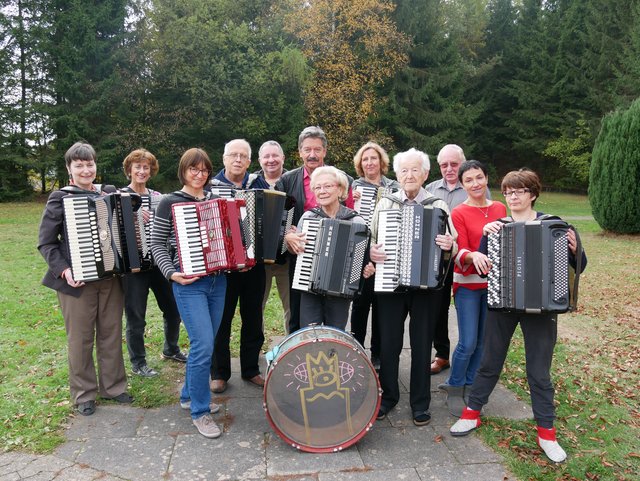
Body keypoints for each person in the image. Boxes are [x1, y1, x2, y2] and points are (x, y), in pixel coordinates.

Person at [450, 169, 587, 464]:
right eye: (508, 192)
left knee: (539, 370)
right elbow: (482, 266)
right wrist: (482, 250)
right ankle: (472, 413)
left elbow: (576, 266)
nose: (513, 197)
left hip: (543, 308)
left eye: (519, 191)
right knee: (489, 361)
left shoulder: (554, 225)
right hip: (504, 302)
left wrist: (575, 251)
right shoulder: (497, 227)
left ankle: (546, 432)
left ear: (532, 194)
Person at [38, 141, 132, 417]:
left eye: (89, 164)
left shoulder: (110, 193)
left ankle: (113, 387)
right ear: (70, 169)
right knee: (80, 339)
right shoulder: (61, 197)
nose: (85, 169)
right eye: (79, 165)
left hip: (111, 278)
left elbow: (124, 223)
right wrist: (65, 270)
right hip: (75, 283)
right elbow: (46, 243)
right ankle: (84, 394)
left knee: (111, 334)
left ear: (95, 165)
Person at [368, 148, 457, 426]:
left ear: (425, 174)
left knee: (421, 346)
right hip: (390, 285)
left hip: (426, 288)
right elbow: (370, 238)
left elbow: (451, 246)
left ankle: (420, 403)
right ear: (397, 174)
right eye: (404, 170)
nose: (409, 175)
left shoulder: (438, 206)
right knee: (389, 344)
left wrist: (450, 246)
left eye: (414, 170)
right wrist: (372, 252)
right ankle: (389, 397)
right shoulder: (385, 204)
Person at [150, 148, 226, 438]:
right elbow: (156, 244)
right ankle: (200, 411)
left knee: (205, 344)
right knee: (203, 345)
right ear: (183, 170)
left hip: (219, 281)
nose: (200, 174)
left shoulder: (216, 201)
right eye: (194, 169)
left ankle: (187, 395)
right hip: (188, 283)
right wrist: (171, 273)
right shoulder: (169, 202)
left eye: (205, 170)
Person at [439, 160, 506, 417]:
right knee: (467, 341)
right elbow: (458, 252)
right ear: (463, 184)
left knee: (483, 342)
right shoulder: (458, 212)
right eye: (469, 180)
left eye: (479, 177)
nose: (475, 184)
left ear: (486, 178)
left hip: (494, 285)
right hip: (468, 284)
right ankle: (455, 386)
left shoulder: (500, 207)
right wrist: (474, 254)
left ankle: (471, 384)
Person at [276, 126, 354, 333]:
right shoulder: (286, 180)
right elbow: (277, 220)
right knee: (298, 312)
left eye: (317, 150)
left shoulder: (342, 179)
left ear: (324, 151)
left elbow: (354, 219)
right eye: (307, 149)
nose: (312, 155)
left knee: (335, 318)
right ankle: (299, 357)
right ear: (300, 151)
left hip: (336, 259)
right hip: (301, 257)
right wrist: (287, 235)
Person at [209, 139, 270, 394]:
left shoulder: (259, 184)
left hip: (254, 265)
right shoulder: (211, 186)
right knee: (221, 320)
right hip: (224, 267)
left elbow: (270, 214)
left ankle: (251, 369)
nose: (238, 159)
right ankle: (219, 372)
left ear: (249, 161)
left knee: (253, 317)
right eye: (233, 155)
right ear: (224, 159)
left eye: (243, 156)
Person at [120, 149, 186, 378]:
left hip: (159, 263)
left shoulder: (159, 197)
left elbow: (168, 230)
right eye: (137, 167)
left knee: (173, 309)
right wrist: (135, 215)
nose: (141, 171)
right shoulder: (120, 197)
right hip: (134, 267)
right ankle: (138, 363)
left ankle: (171, 349)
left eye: (146, 167)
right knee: (136, 316)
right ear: (129, 170)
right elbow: (114, 229)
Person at [425, 145, 490, 375]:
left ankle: (471, 357)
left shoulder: (475, 187)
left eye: (454, 164)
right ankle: (442, 354)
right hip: (439, 261)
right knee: (438, 308)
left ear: (462, 164)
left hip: (469, 261)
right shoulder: (431, 189)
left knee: (471, 310)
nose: (449, 169)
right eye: (444, 165)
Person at [285, 166, 367, 330]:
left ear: (340, 189)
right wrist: (289, 241)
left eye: (328, 186)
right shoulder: (308, 217)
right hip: (310, 287)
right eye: (317, 187)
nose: (322, 191)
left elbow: (363, 260)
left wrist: (367, 266)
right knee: (310, 333)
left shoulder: (356, 221)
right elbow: (295, 250)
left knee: (336, 335)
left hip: (340, 291)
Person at [350, 142, 400, 368]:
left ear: (381, 162)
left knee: (382, 307)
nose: (369, 162)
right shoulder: (353, 186)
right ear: (360, 164)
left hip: (387, 253)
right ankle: (357, 350)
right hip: (362, 253)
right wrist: (351, 198)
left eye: (373, 158)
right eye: (365, 159)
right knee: (360, 305)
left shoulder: (394, 186)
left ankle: (378, 354)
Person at [255, 141, 291, 334]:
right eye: (266, 156)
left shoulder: (292, 180)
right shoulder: (251, 182)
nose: (271, 160)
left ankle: (291, 347)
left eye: (275, 155)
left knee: (291, 307)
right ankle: (258, 346)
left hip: (287, 256)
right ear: (260, 160)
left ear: (283, 158)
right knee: (256, 306)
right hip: (260, 259)